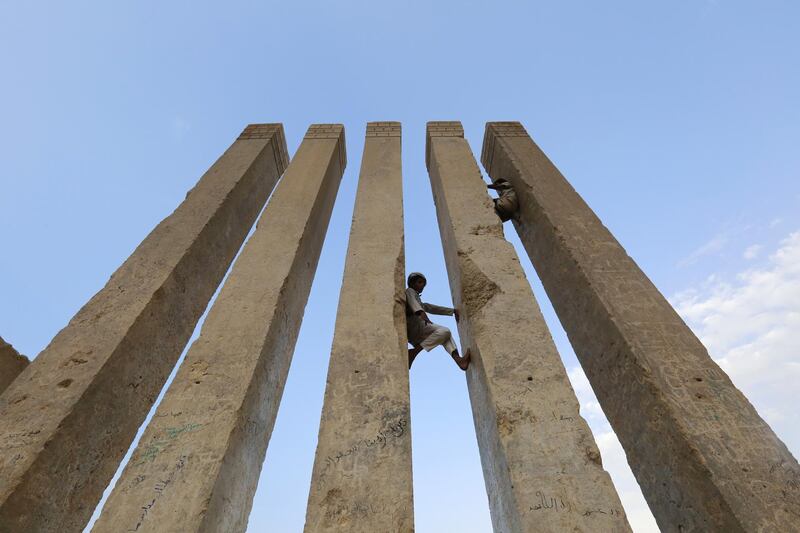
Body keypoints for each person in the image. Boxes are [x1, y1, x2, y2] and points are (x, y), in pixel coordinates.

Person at [405, 272, 471, 370]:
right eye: (419, 282)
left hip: (420, 330)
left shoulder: (418, 299)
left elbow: (431, 308)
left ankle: (459, 360)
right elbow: (416, 306)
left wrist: (452, 311)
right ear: (412, 283)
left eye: (423, 283)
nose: (422, 285)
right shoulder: (409, 291)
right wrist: (422, 315)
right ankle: (414, 352)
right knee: (445, 331)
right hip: (413, 329)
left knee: (446, 336)